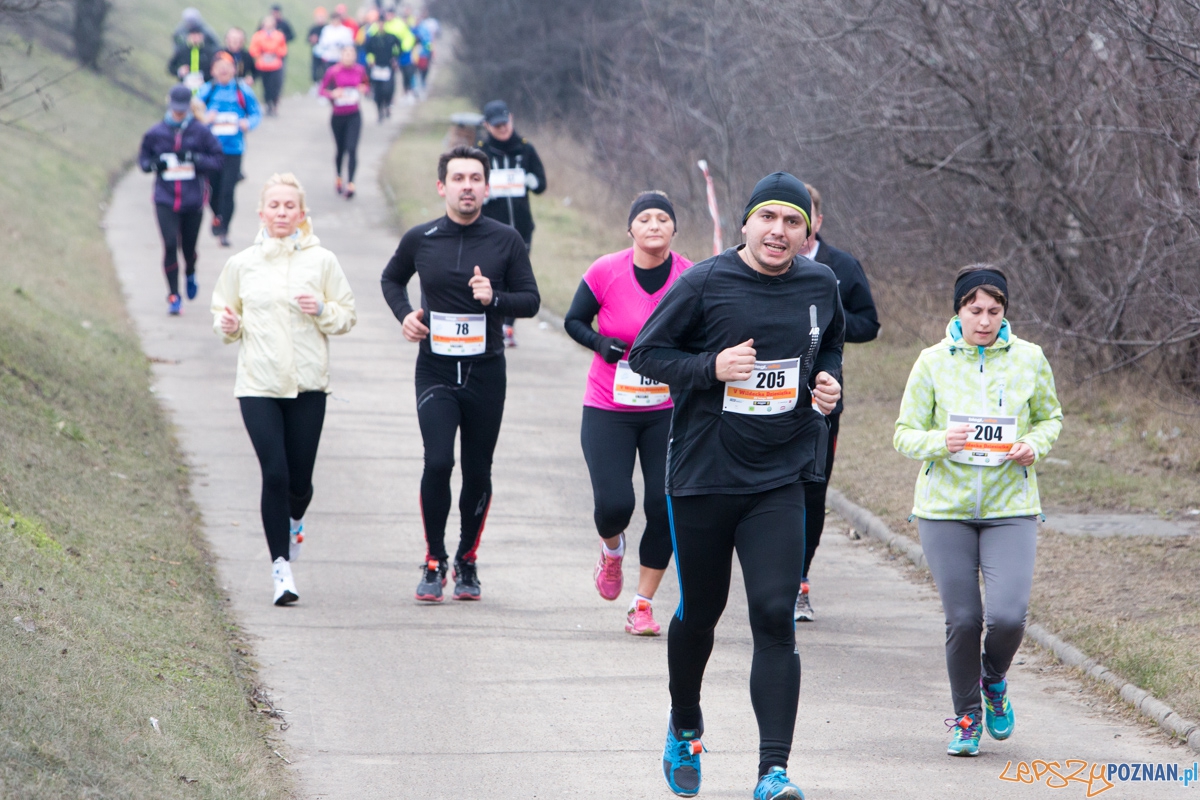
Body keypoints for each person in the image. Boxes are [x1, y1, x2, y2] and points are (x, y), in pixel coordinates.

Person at [629, 172, 844, 800]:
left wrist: (828, 385)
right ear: (746, 224)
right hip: (704, 476)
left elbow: (827, 345)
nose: (779, 232)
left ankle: (772, 772)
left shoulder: (820, 283)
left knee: (776, 614)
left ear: (808, 232)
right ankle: (686, 724)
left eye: (792, 222)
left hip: (779, 475)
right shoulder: (704, 282)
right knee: (702, 612)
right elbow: (645, 354)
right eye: (768, 220)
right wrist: (710, 368)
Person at [893, 265, 1062, 757]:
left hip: (1012, 506)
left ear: (1004, 313)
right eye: (974, 310)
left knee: (1008, 616)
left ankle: (993, 680)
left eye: (994, 311)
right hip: (944, 509)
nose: (984, 321)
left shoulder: (1029, 358)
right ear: (958, 311)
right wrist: (938, 442)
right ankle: (966, 718)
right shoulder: (931, 362)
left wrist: (1034, 443)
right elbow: (903, 433)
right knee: (964, 619)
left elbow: (1051, 416)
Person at [380, 146, 540, 603]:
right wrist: (405, 315)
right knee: (437, 462)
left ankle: (467, 559)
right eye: (458, 178)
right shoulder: (421, 238)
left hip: (486, 371)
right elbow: (391, 279)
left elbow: (530, 300)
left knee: (476, 469)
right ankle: (434, 560)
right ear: (442, 186)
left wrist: (496, 299)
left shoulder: (506, 240)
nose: (466, 186)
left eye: (475, 178)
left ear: (487, 188)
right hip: (434, 368)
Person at [211, 173, 357, 606]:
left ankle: (295, 520)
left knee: (300, 482)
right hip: (257, 383)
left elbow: (347, 315)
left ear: (301, 214)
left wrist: (323, 309)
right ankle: (281, 569)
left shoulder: (322, 261)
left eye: (289, 206)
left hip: (308, 384)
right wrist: (230, 325)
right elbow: (223, 311)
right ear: (261, 214)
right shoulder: (242, 263)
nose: (281, 213)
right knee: (274, 473)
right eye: (273, 206)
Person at [564, 192, 693, 635]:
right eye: (644, 218)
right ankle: (612, 551)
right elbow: (574, 320)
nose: (654, 225)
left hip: (667, 409)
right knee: (614, 504)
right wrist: (601, 343)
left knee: (664, 505)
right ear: (630, 230)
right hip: (608, 406)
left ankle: (642, 604)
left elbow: (707, 331)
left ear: (674, 230)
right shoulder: (606, 271)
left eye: (663, 218)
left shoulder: (691, 277)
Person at [792, 183, 880, 623]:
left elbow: (869, 323)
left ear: (817, 221)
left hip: (822, 401)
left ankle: (799, 583)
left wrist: (830, 321)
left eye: (801, 216)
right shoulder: (762, 263)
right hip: (763, 402)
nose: (793, 225)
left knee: (812, 493)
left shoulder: (841, 266)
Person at [138, 85, 223, 315]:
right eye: (174, 109)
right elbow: (143, 162)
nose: (177, 113)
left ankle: (191, 272)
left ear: (188, 107)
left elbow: (217, 160)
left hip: (192, 201)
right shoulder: (156, 132)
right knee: (168, 245)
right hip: (165, 199)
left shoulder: (200, 132)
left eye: (182, 109)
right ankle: (174, 296)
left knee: (188, 248)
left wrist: (195, 159)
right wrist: (156, 164)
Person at [477, 100, 546, 348]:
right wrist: (486, 192)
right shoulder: (481, 151)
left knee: (517, 278)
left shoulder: (525, 149)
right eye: (496, 125)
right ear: (487, 125)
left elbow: (542, 184)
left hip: (521, 227)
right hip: (490, 228)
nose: (502, 128)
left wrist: (530, 181)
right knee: (494, 275)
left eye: (505, 123)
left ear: (512, 119)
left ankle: (509, 327)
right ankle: (493, 323)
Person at [200, 53, 262, 247]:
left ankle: (224, 229)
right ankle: (217, 216)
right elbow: (194, 113)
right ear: (213, 70)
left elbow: (255, 113)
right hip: (211, 150)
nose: (224, 70)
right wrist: (205, 118)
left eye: (227, 66)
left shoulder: (243, 90)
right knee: (212, 189)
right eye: (219, 66)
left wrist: (247, 123)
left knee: (228, 190)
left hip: (234, 149)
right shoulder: (206, 90)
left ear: (234, 69)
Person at [319, 46, 369, 198]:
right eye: (346, 54)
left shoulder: (360, 70)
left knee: (352, 148)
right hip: (338, 116)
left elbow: (367, 85)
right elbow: (322, 90)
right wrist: (333, 94)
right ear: (341, 56)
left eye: (352, 54)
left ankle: (351, 183)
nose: (349, 57)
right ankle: (339, 177)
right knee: (341, 150)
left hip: (354, 115)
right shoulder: (333, 71)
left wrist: (363, 88)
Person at [362, 16, 402, 122]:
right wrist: (371, 60)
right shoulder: (373, 38)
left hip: (388, 67)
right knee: (378, 91)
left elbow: (398, 48)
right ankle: (379, 111)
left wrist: (395, 58)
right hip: (377, 68)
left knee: (388, 89)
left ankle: (388, 105)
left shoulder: (391, 37)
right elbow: (367, 50)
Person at [250, 15, 288, 116]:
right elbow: (253, 49)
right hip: (263, 65)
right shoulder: (258, 36)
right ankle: (268, 105)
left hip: (275, 65)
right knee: (266, 86)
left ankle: (275, 104)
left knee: (275, 86)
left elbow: (283, 49)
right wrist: (261, 54)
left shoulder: (279, 35)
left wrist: (274, 53)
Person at [169, 22, 218, 90]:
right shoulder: (182, 50)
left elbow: (214, 69)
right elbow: (171, 67)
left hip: (204, 88)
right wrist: (179, 71)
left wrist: (204, 77)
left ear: (202, 36)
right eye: (193, 35)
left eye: (197, 35)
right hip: (185, 87)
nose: (195, 38)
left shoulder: (209, 51)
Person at [314, 12, 355, 81]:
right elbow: (323, 42)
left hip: (340, 57)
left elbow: (349, 43)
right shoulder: (327, 30)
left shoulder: (345, 30)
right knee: (328, 74)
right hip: (329, 56)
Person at [307, 7, 330, 84]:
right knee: (314, 69)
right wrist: (312, 40)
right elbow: (308, 39)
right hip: (316, 52)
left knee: (325, 69)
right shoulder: (313, 28)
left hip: (325, 53)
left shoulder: (327, 28)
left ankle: (324, 84)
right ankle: (315, 84)